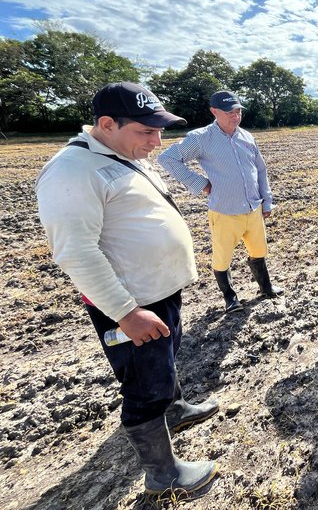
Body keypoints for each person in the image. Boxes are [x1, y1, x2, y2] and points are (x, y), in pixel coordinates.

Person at [36, 82, 218, 495]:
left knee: (164, 361)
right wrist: (126, 312)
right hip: (130, 302)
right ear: (106, 123)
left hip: (157, 290)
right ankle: (163, 474)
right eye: (146, 131)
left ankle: (173, 409)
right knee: (144, 384)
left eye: (159, 131)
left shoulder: (120, 154)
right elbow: (75, 252)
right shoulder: (71, 171)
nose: (158, 141)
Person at [158, 90, 283, 313]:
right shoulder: (201, 138)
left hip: (253, 208)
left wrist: (267, 201)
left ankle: (266, 288)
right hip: (224, 211)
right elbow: (167, 158)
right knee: (222, 256)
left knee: (259, 250)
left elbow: (261, 170)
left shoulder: (247, 137)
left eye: (238, 112)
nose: (235, 117)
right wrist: (200, 184)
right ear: (214, 112)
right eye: (229, 113)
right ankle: (230, 297)